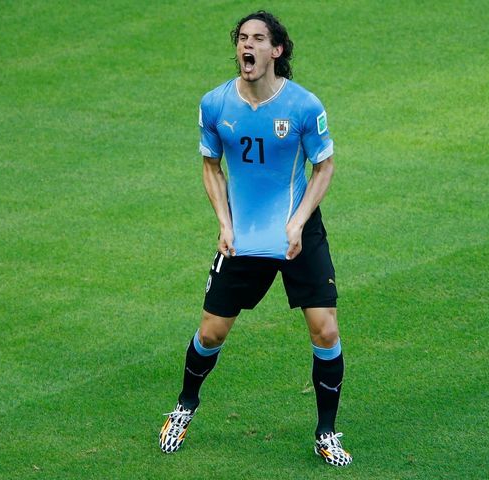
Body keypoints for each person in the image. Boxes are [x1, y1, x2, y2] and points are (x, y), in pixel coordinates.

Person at [159, 10, 351, 467]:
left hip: (297, 233)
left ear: (275, 50)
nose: (248, 46)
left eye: (258, 39)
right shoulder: (215, 104)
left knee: (325, 330)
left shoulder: (304, 106)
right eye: (243, 38)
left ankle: (326, 432)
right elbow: (211, 167)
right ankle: (185, 405)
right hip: (243, 237)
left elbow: (323, 167)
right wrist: (225, 225)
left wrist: (299, 221)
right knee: (211, 331)